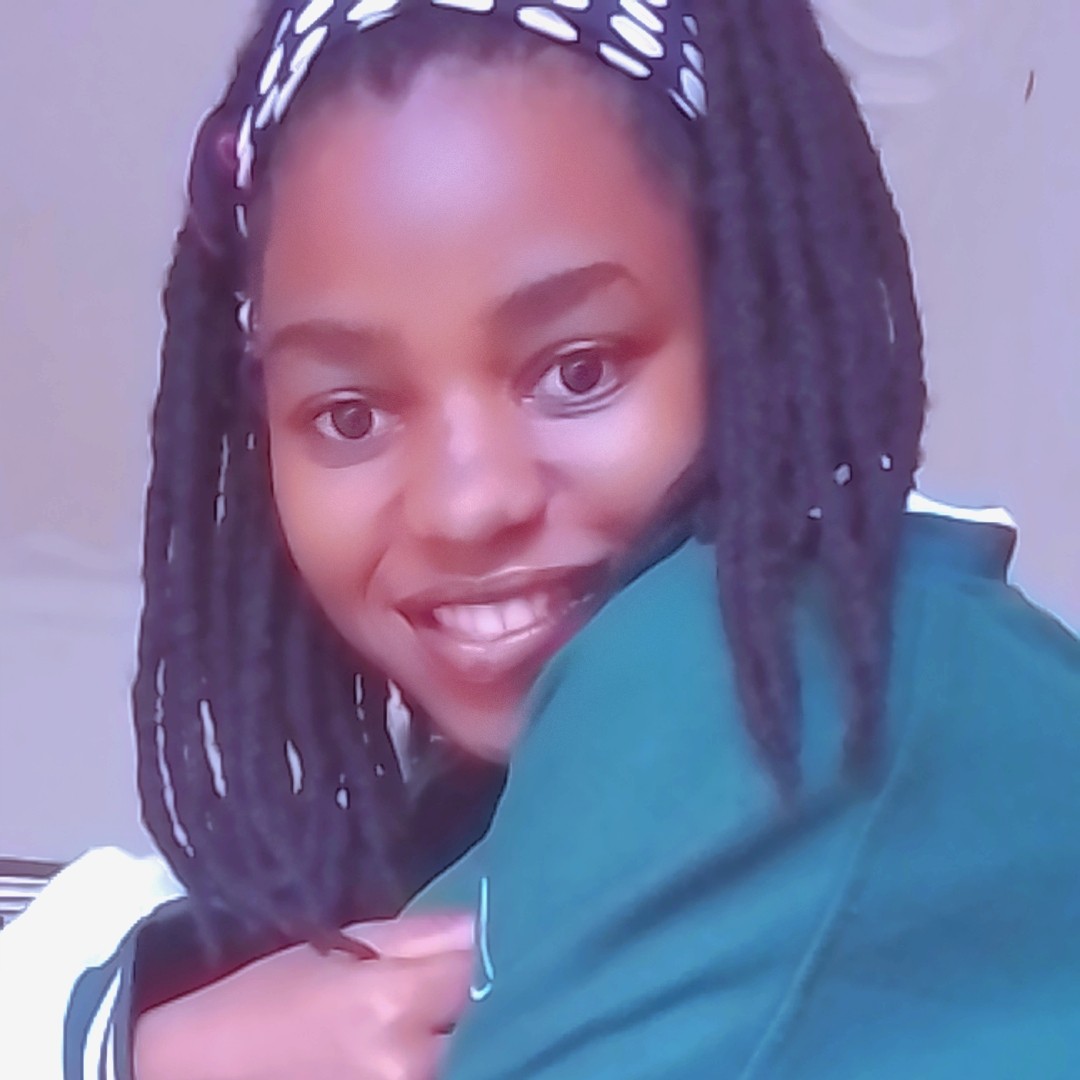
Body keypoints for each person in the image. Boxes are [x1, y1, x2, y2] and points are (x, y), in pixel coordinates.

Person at [0, 0, 1076, 1076]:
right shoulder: (469, 830)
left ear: (753, 325)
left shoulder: (793, 683)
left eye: (578, 371)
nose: (468, 505)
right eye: (351, 416)